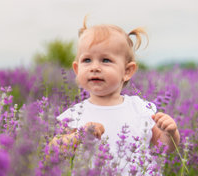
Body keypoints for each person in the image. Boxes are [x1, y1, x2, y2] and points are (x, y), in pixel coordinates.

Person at [49, 17, 180, 174]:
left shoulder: (140, 108)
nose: (95, 67)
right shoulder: (76, 114)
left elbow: (164, 148)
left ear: (127, 71)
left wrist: (169, 133)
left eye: (105, 60)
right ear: (77, 69)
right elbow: (53, 150)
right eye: (87, 60)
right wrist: (79, 135)